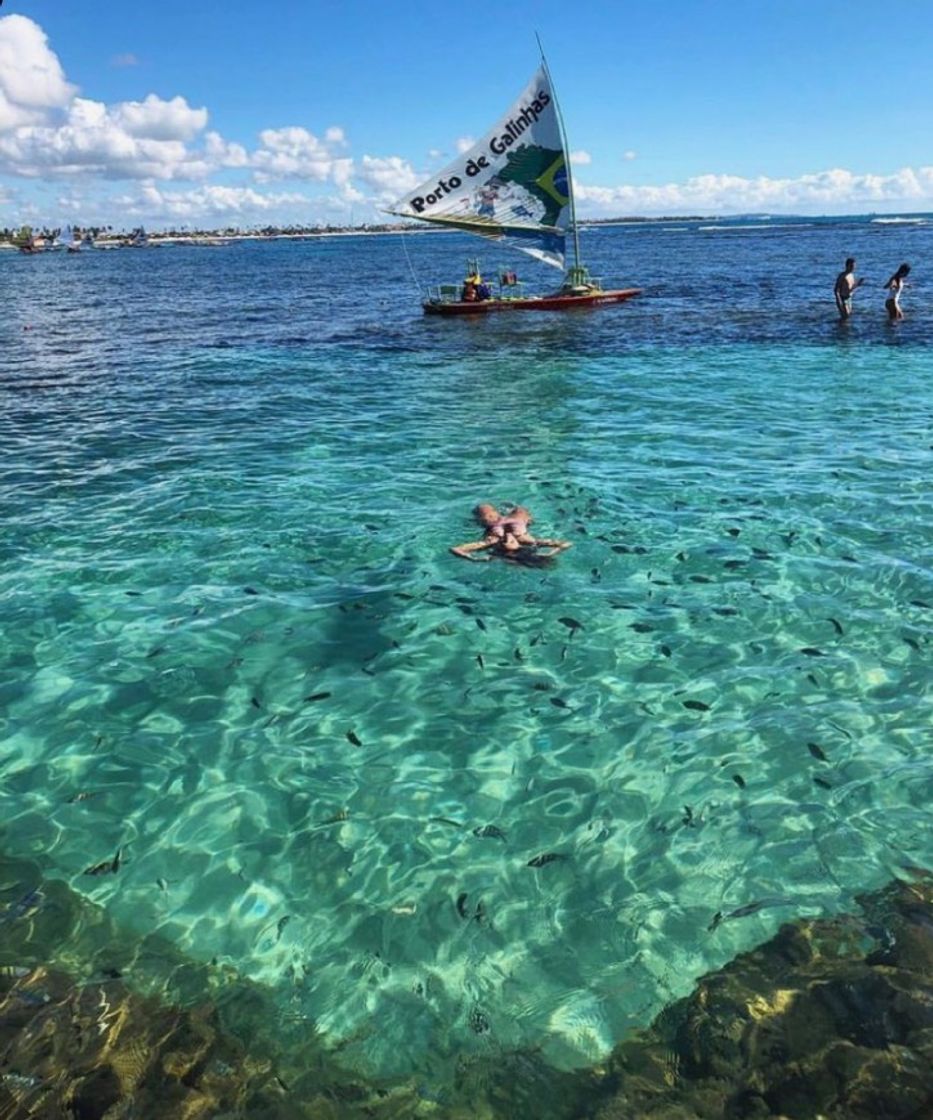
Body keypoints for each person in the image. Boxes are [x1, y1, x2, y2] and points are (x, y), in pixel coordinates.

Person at [450, 503, 572, 564]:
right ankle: (509, 508)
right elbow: (566, 543)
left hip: (494, 521)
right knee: (520, 509)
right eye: (510, 541)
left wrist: (473, 559)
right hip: (517, 518)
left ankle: (496, 512)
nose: (507, 537)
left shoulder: (492, 541)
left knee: (483, 507)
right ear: (518, 546)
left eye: (503, 542)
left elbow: (456, 549)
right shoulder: (529, 541)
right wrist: (551, 553)